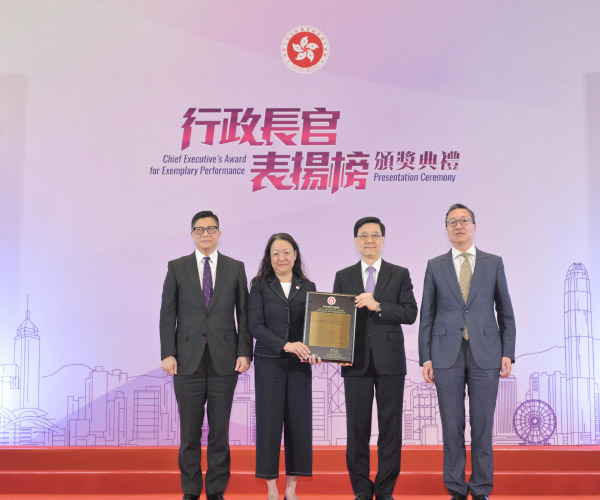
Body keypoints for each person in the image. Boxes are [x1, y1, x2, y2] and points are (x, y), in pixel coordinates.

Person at [418, 203, 516, 500]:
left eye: (464, 221)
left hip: (486, 352)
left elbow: (506, 312)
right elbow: (427, 315)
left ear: (474, 226)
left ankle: (482, 489)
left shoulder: (493, 262)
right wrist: (426, 356)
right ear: (446, 229)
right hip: (446, 352)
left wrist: (508, 352)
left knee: (483, 425)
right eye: (452, 222)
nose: (458, 226)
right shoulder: (435, 265)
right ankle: (457, 489)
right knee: (452, 425)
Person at [159, 210, 253, 500]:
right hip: (186, 361)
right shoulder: (177, 267)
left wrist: (244, 352)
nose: (206, 234)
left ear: (219, 234)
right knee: (189, 433)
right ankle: (190, 491)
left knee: (219, 431)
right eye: (199, 230)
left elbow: (244, 314)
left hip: (225, 360)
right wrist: (168, 353)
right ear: (192, 234)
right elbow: (168, 313)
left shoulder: (235, 267)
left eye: (211, 229)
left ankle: (215, 491)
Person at [333, 216, 418, 500]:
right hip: (354, 361)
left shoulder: (400, 273)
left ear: (383, 240)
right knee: (357, 429)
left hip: (391, 361)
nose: (370, 240)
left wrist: (378, 304)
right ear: (356, 241)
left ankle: (384, 491)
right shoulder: (344, 275)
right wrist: (338, 353)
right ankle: (360, 489)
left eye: (375, 235)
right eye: (364, 235)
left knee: (390, 429)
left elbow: (409, 312)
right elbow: (337, 320)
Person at [248, 233, 320, 500]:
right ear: (269, 257)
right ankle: (271, 488)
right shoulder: (259, 285)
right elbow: (255, 326)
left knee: (298, 424)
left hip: (300, 366)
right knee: (269, 424)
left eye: (287, 252)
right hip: (269, 363)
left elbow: (317, 327)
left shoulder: (308, 285)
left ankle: (291, 488)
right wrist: (285, 345)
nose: (282, 258)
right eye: (276, 253)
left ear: (296, 254)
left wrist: (317, 351)